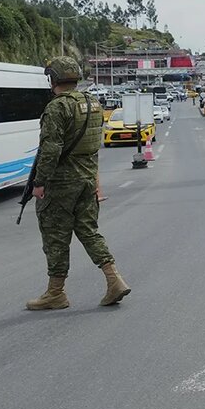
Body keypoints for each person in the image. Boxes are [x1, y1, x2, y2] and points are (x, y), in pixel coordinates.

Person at [26, 56, 131, 311]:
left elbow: (50, 149)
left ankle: (56, 293)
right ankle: (113, 279)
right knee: (88, 230)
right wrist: (95, 182)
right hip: (86, 179)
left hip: (62, 183)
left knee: (56, 236)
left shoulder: (57, 108)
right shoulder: (92, 103)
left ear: (53, 79)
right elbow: (93, 146)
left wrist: (39, 183)